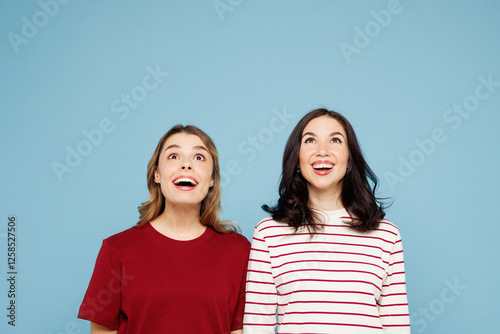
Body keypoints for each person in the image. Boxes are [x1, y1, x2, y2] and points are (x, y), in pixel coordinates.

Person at [243, 109, 410, 333]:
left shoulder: (386, 235)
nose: (322, 151)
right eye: (310, 140)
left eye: (335, 140)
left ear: (350, 159)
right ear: (297, 160)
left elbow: (396, 324)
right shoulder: (268, 233)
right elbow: (257, 325)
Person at [78, 125, 250, 334]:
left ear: (212, 179)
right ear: (157, 174)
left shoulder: (239, 252)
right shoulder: (117, 250)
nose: (186, 165)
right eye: (174, 156)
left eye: (199, 158)